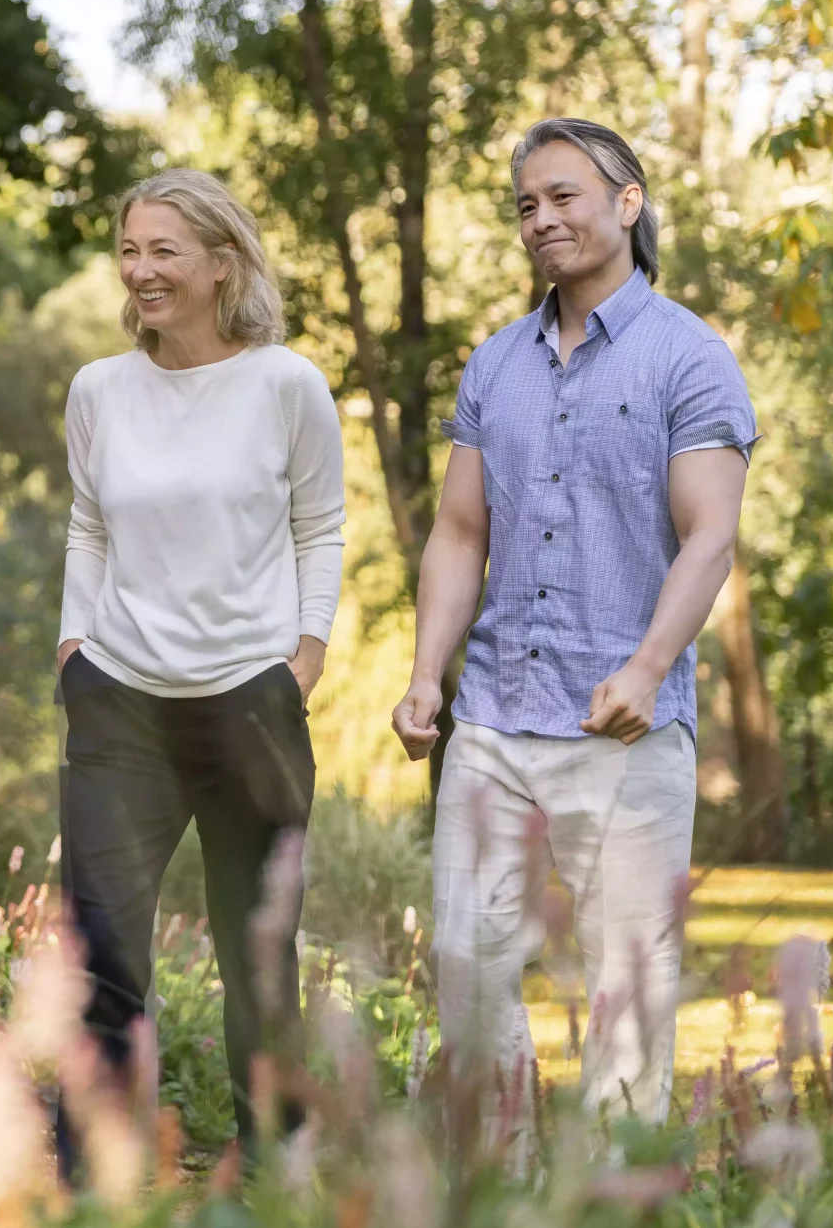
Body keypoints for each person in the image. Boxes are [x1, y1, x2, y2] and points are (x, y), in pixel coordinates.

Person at [392, 118, 758, 1124]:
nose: (541, 218)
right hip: (495, 722)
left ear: (626, 204)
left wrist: (646, 667)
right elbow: (460, 534)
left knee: (624, 997)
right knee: (464, 966)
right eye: (525, 205)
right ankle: (500, 1185)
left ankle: (609, 1198)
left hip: (622, 728)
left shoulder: (690, 359)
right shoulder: (495, 365)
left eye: (562, 196)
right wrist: (429, 675)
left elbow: (709, 539)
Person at [55, 168, 346, 1146]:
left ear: (223, 264)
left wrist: (300, 659)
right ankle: (85, 1192)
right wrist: (72, 646)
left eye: (162, 251)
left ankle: (278, 1185)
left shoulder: (285, 384)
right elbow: (87, 525)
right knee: (99, 959)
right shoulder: (98, 389)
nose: (140, 270)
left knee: (258, 963)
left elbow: (322, 527)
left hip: (248, 706)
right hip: (118, 705)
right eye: (129, 250)